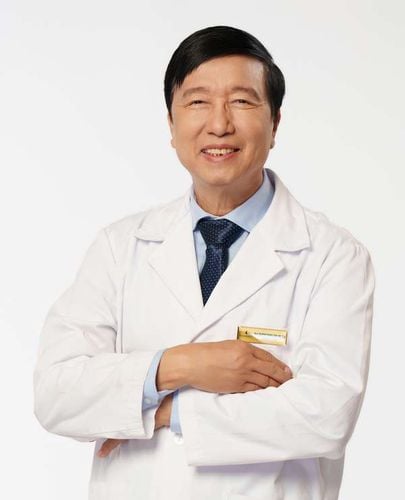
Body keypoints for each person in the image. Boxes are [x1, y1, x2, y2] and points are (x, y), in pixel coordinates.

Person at [33, 25, 375, 500]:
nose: (219, 124)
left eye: (241, 101)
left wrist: (164, 411)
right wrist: (178, 365)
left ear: (275, 123)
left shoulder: (332, 255)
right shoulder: (120, 247)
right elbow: (56, 393)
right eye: (197, 102)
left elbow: (326, 414)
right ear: (171, 125)